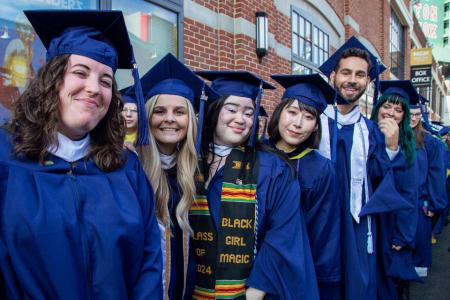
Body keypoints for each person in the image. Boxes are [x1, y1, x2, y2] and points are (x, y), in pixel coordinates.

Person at [0, 10, 162, 299]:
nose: (93, 88)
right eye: (80, 72)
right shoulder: (6, 158)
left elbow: (148, 262)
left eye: (106, 81)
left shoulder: (127, 169)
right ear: (52, 79)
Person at [192, 70, 319, 299]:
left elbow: (283, 236)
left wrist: (255, 291)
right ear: (212, 109)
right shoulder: (189, 162)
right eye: (231, 110)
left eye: (249, 113)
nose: (241, 119)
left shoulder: (274, 169)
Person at [318, 36, 411, 299]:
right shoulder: (312, 124)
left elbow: (383, 184)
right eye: (346, 72)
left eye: (360, 75)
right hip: (317, 223)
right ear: (333, 75)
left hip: (357, 227)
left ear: (368, 82)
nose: (352, 80)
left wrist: (392, 149)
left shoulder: (371, 133)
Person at [134, 53, 217, 299]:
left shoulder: (195, 173)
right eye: (160, 111)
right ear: (148, 117)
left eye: (179, 112)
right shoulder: (129, 169)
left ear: (190, 120)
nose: (169, 118)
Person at [267, 73, 342, 299]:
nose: (297, 123)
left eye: (308, 117)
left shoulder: (320, 169)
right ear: (279, 113)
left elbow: (324, 234)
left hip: (297, 271)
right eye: (292, 112)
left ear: (316, 126)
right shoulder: (256, 154)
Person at [370, 80, 421, 300]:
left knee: (387, 284)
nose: (391, 113)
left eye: (398, 109)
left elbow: (409, 194)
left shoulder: (407, 146)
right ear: (377, 108)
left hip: (390, 225)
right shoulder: (366, 135)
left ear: (404, 116)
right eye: (386, 106)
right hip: (366, 221)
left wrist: (403, 236)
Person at [410, 96, 447, 278]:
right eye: (409, 114)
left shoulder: (430, 142)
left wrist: (432, 205)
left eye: (417, 114)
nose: (413, 118)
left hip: (420, 204)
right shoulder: (395, 138)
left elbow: (436, 176)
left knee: (417, 247)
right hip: (398, 205)